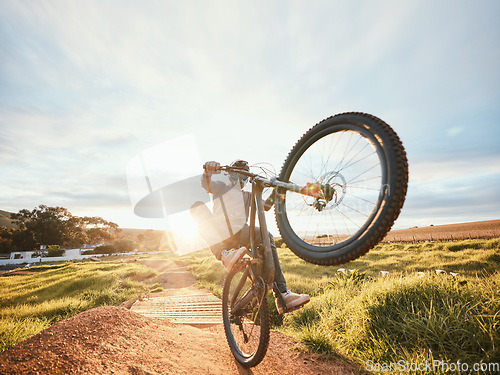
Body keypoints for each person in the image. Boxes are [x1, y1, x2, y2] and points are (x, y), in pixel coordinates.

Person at [190, 159, 310, 314]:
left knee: (266, 235)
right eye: (235, 174)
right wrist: (208, 171)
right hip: (220, 232)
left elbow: (266, 206)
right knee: (197, 207)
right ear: (229, 175)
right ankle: (224, 254)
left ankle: (282, 294)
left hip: (242, 233)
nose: (239, 179)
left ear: (247, 180)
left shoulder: (247, 196)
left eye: (244, 177)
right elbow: (206, 184)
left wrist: (278, 190)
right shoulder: (221, 188)